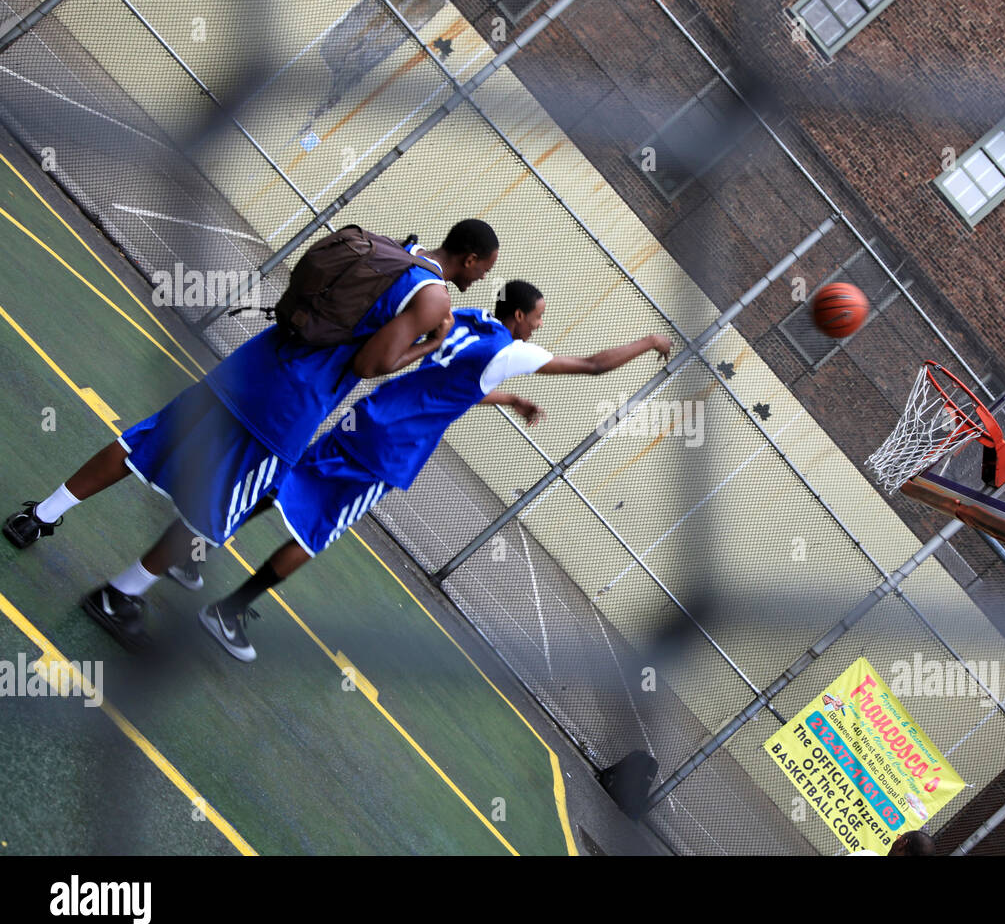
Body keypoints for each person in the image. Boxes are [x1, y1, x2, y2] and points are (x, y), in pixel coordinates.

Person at [4, 220, 499, 652]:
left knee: (144, 441)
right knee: (221, 509)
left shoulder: (390, 250)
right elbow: (371, 364)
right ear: (469, 258)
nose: (485, 277)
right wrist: (430, 343)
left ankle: (37, 516)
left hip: (255, 363)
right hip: (288, 405)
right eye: (485, 267)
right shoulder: (433, 297)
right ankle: (118, 596)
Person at [198, 280, 672, 661]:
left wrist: (507, 398)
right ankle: (229, 610)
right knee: (317, 531)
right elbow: (591, 365)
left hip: (368, 415)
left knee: (283, 483)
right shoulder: (510, 350)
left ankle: (192, 547)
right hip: (393, 448)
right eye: (540, 316)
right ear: (520, 316)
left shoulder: (463, 320)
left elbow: (450, 382)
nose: (541, 325)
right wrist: (649, 340)